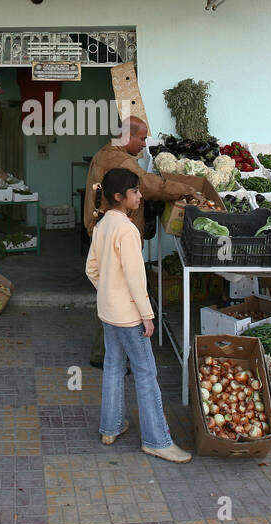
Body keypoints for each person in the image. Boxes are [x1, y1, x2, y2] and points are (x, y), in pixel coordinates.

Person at [85, 167, 192, 464]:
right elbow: (135, 278)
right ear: (120, 197)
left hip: (108, 312)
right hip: (130, 317)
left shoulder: (103, 224)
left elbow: (91, 270)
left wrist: (109, 291)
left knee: (113, 367)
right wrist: (148, 315)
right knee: (146, 375)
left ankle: (110, 427)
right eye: (135, 192)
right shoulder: (128, 230)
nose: (140, 196)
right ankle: (157, 441)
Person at [83, 116, 203, 367]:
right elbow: (147, 185)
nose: (145, 143)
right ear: (127, 136)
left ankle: (107, 354)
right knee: (121, 291)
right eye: (142, 138)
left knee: (111, 290)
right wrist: (185, 189)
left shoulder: (106, 153)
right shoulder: (119, 159)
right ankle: (110, 354)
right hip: (112, 234)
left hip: (104, 231)